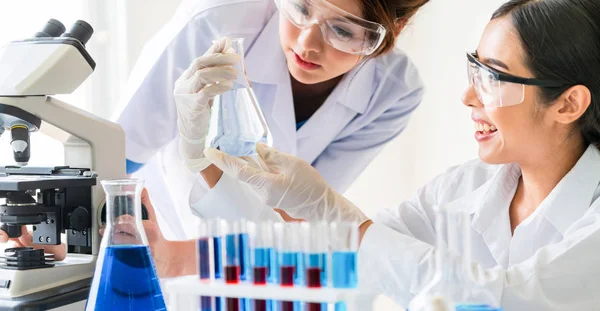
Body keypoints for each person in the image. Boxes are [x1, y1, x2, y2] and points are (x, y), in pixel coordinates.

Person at [200, 0, 600, 309]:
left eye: (493, 78)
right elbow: (327, 263)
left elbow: (508, 301)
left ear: (568, 105)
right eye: (474, 70)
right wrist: (205, 164)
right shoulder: (462, 189)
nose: (468, 96)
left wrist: (335, 213)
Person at [113, 0, 429, 239]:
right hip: (160, 227)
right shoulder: (216, 21)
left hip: (262, 256)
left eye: (343, 30)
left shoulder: (394, 90)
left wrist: (182, 259)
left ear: (396, 29)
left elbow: (304, 212)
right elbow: (116, 156)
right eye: (301, 8)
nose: (307, 43)